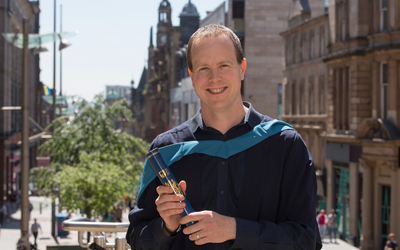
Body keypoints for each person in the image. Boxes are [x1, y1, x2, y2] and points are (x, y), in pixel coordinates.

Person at [126, 24, 321, 249]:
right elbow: (137, 241)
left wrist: (235, 229)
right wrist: (166, 227)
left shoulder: (285, 145)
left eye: (224, 65)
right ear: (191, 75)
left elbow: (307, 241)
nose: (214, 78)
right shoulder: (166, 151)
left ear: (242, 68)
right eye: (203, 69)